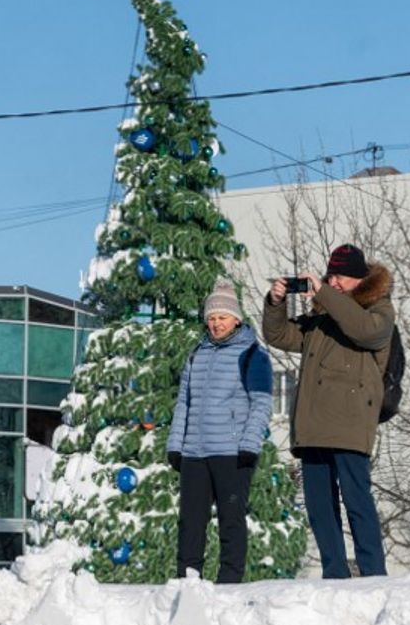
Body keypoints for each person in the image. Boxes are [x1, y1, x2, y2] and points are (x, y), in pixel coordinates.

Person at [263, 244, 393, 579]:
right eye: (330, 275)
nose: (334, 282)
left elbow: (365, 331)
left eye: (341, 276)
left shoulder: (379, 309)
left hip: (350, 424)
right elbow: (278, 334)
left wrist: (325, 294)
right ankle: (334, 572)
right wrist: (275, 303)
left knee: (356, 501)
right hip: (313, 424)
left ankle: (373, 572)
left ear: (360, 278)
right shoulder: (320, 317)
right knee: (320, 506)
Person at [167, 279, 273, 584]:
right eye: (211, 318)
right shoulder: (196, 354)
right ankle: (187, 581)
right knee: (190, 522)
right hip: (194, 454)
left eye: (222, 318)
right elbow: (184, 403)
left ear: (236, 319)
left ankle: (229, 584)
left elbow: (262, 403)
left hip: (231, 452)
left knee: (231, 521)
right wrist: (176, 445)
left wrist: (249, 445)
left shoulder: (253, 354)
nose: (216, 324)